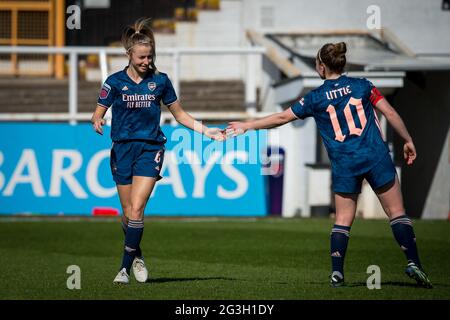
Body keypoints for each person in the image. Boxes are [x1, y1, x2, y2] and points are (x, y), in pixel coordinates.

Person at [226, 42, 432, 288]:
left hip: (345, 164)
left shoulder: (314, 98)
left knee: (343, 220)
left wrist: (247, 125)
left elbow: (282, 117)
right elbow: (390, 113)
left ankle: (337, 274)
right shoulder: (363, 86)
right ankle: (413, 263)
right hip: (375, 156)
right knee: (397, 213)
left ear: (321, 67)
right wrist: (408, 139)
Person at [91, 18, 225, 284]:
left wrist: (206, 130)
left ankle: (123, 269)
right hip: (122, 149)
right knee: (128, 213)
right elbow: (98, 112)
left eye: (150, 56)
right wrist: (98, 120)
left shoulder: (161, 81)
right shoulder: (114, 82)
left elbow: (180, 115)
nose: (146, 61)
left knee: (138, 208)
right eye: (142, 57)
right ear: (128, 54)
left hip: (150, 149)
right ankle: (137, 255)